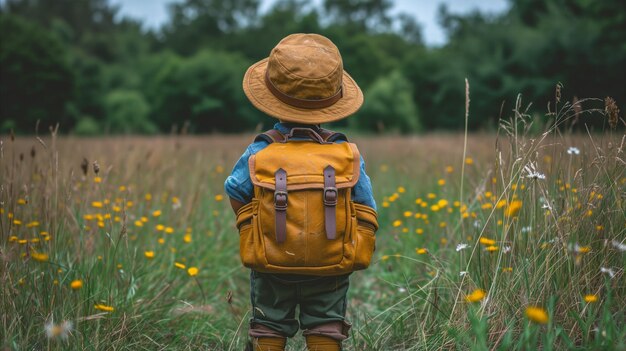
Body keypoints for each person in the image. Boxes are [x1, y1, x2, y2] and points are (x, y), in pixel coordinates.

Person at [225, 33, 377, 351]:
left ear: (271, 95)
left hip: (271, 258)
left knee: (267, 324)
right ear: (334, 101)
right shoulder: (346, 152)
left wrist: (254, 221)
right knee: (326, 323)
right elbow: (366, 204)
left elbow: (235, 189)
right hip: (332, 261)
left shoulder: (259, 149)